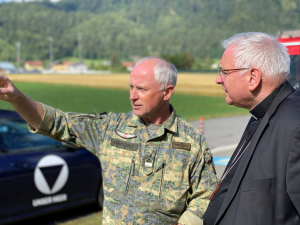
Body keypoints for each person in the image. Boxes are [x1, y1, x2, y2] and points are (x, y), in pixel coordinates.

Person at [0, 57, 217, 225]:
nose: (132, 96)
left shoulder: (192, 142)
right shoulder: (110, 128)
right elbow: (56, 122)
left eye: (141, 89)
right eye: (131, 87)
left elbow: (205, 196)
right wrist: (15, 96)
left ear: (167, 92)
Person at [203, 32, 300, 225]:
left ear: (253, 77)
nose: (218, 79)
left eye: (225, 72)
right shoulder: (265, 114)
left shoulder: (294, 125)